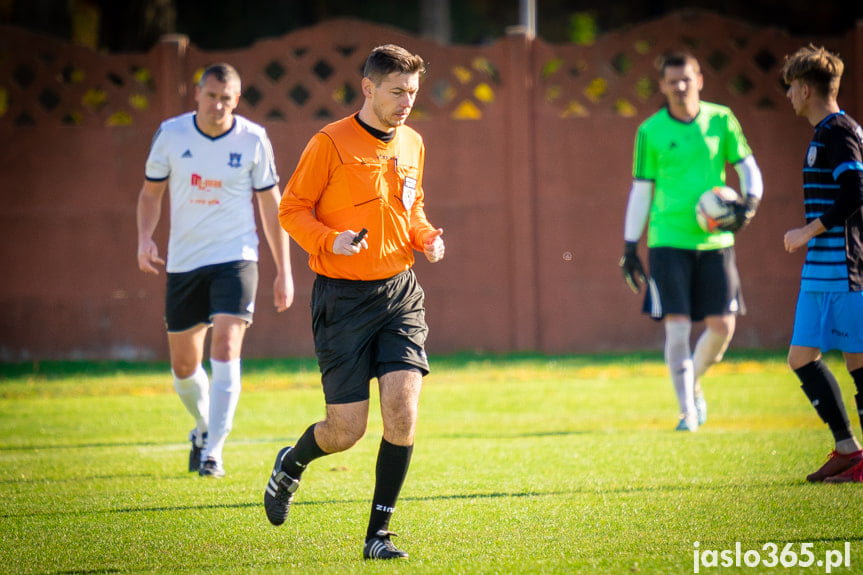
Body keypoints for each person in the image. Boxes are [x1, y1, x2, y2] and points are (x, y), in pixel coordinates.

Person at [263, 44, 444, 560]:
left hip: (399, 293)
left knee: (403, 413)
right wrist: (329, 240)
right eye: (396, 91)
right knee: (346, 431)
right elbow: (291, 209)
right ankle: (290, 465)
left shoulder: (413, 143)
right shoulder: (329, 143)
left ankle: (377, 536)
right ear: (368, 89)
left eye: (412, 91)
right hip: (341, 299)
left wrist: (427, 236)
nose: (407, 101)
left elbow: (413, 208)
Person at [137, 63, 294, 478]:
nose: (218, 105)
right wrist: (145, 237)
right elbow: (151, 194)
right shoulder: (171, 134)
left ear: (236, 100)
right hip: (185, 262)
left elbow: (270, 206)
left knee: (225, 347)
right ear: (197, 94)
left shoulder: (253, 138)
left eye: (227, 98)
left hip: (237, 257)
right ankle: (204, 427)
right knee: (184, 369)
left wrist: (284, 270)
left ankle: (214, 452)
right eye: (211, 96)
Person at [619, 52, 763, 432]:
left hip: (716, 242)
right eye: (672, 81)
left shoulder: (721, 120)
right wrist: (630, 246)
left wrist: (750, 202)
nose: (680, 87)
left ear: (699, 79)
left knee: (723, 327)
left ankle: (693, 381)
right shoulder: (650, 131)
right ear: (663, 86)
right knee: (678, 327)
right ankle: (687, 412)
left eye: (686, 79)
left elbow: (746, 165)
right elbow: (640, 190)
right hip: (667, 241)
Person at [781, 45, 863, 484]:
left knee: (859, 363)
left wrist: (806, 231)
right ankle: (848, 449)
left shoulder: (840, 131)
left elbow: (856, 193)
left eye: (791, 87)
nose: (788, 95)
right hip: (818, 272)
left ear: (806, 88)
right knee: (800, 358)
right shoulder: (822, 133)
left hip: (846, 270)